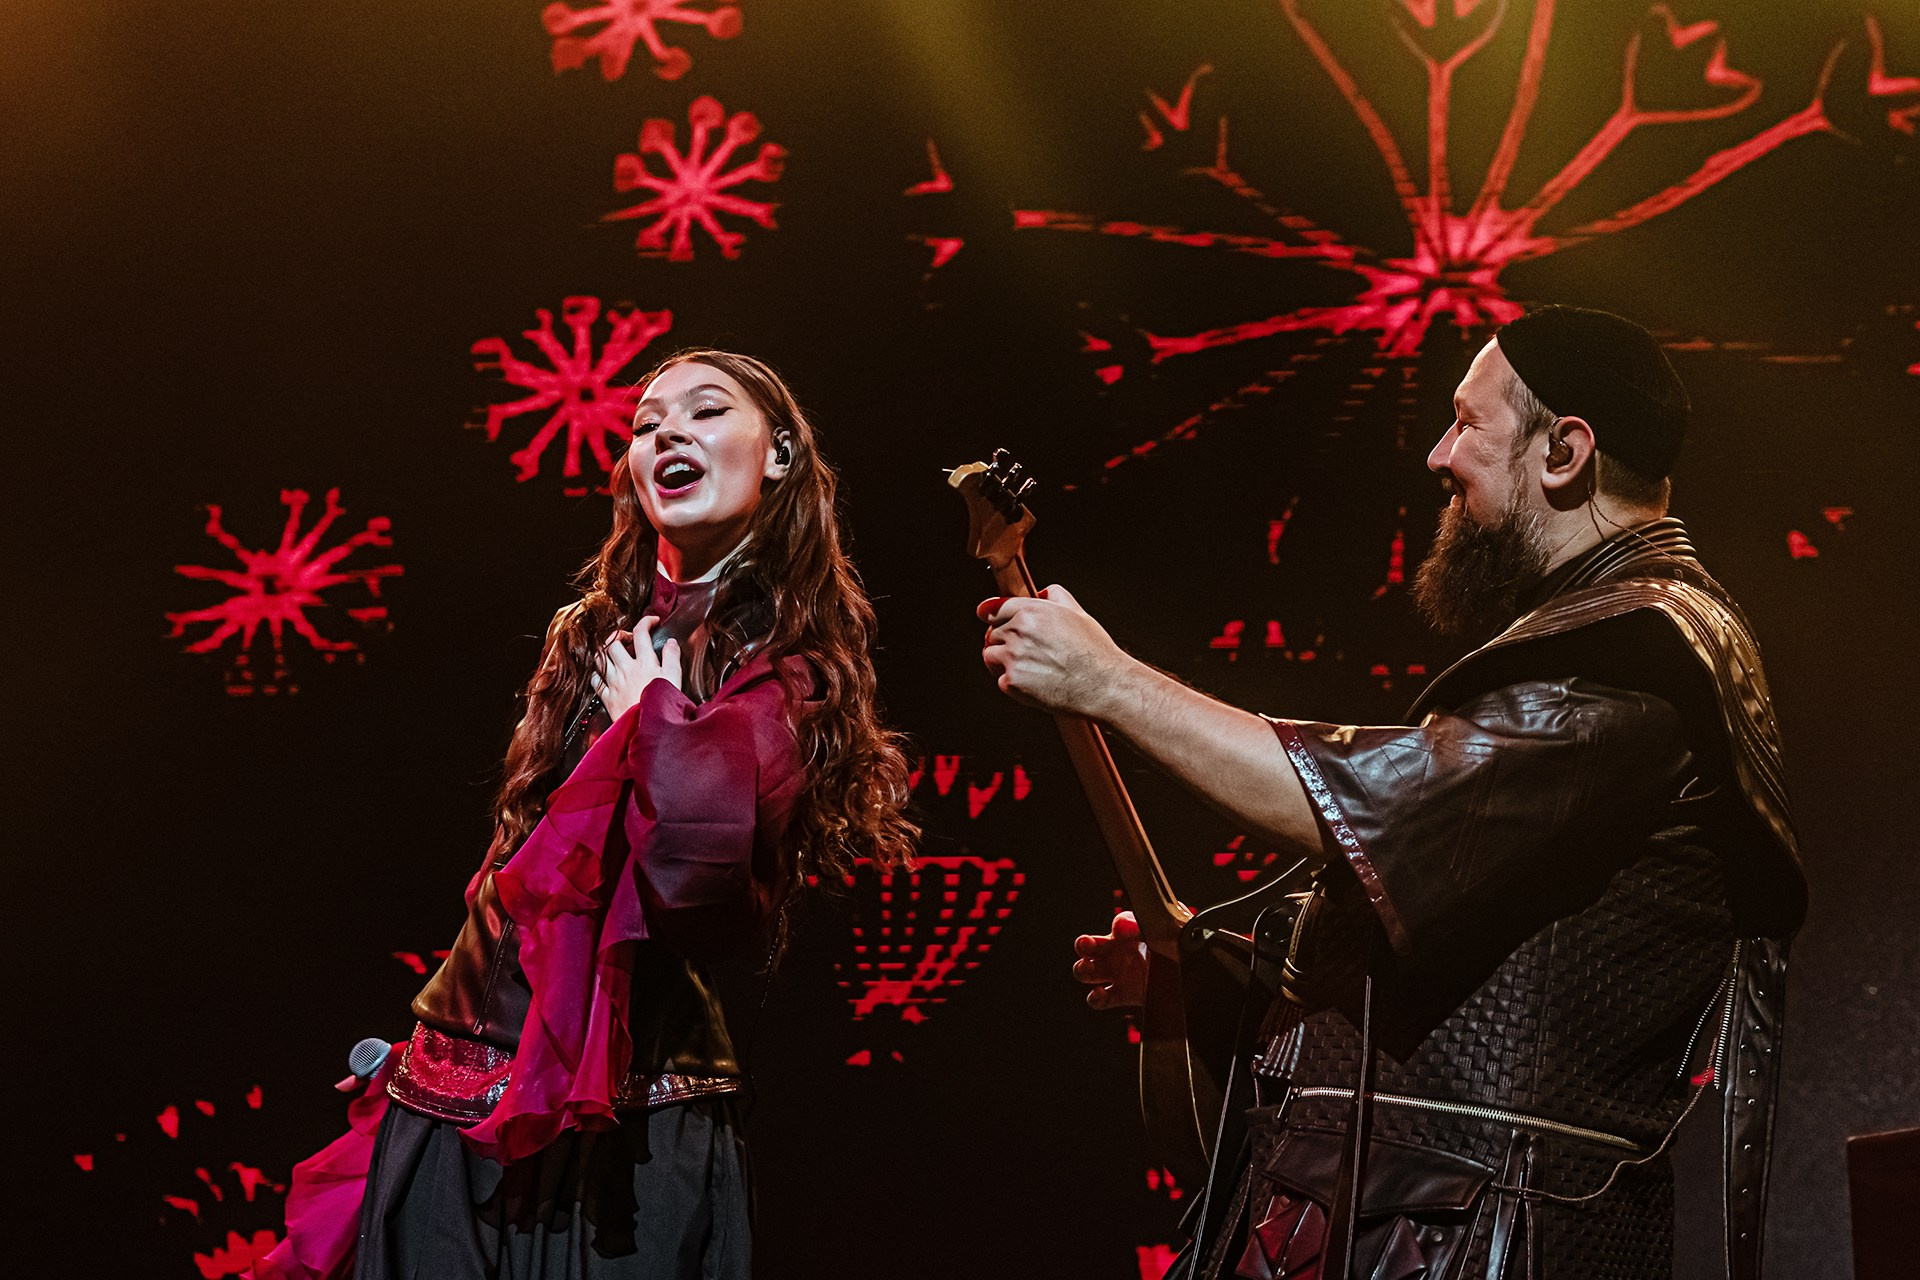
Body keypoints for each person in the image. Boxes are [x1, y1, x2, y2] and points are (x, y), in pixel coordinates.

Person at [979, 307, 1802, 1280]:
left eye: (1469, 422)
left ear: (1565, 451)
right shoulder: (1613, 645)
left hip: (1465, 1240)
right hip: (1414, 1226)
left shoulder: (1635, 664)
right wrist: (1211, 979)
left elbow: (1383, 810)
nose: (1439, 454)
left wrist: (1109, 681)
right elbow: (1462, 963)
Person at [256, 350, 916, 1280]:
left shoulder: (784, 666)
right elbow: (519, 867)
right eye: (646, 424)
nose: (668, 432)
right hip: (459, 1090)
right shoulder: (591, 634)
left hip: (628, 1124)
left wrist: (656, 720)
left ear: (779, 455)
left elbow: (700, 894)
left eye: (707, 411)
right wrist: (446, 1024)